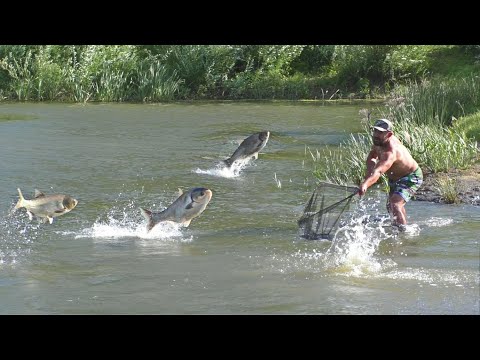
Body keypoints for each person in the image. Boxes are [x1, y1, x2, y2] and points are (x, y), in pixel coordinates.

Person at [358, 119, 423, 230]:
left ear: (389, 134)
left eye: (380, 132)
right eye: (375, 131)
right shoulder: (379, 142)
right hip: (394, 177)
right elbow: (372, 157)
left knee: (395, 203)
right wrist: (367, 177)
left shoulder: (391, 152)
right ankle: (399, 226)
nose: (376, 135)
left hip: (411, 177)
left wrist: (365, 185)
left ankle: (404, 233)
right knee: (390, 206)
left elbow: (378, 171)